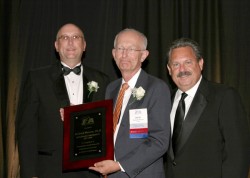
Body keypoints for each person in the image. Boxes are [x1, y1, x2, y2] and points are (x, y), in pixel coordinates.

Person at [17, 23, 109, 178]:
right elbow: (26, 131)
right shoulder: (37, 78)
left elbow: (108, 128)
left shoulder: (102, 80)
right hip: (49, 171)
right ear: (56, 46)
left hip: (90, 172)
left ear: (84, 45)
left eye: (76, 37)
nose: (71, 42)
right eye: (64, 37)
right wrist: (29, 173)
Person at [89, 28, 171, 178]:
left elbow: (160, 140)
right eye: (120, 48)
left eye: (132, 49)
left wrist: (120, 165)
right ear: (114, 54)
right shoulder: (111, 89)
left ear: (143, 55)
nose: (125, 54)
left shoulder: (157, 88)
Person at [165, 38, 250, 178]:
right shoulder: (165, 100)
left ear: (201, 63)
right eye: (176, 64)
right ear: (169, 69)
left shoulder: (224, 96)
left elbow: (238, 154)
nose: (182, 70)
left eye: (188, 62)